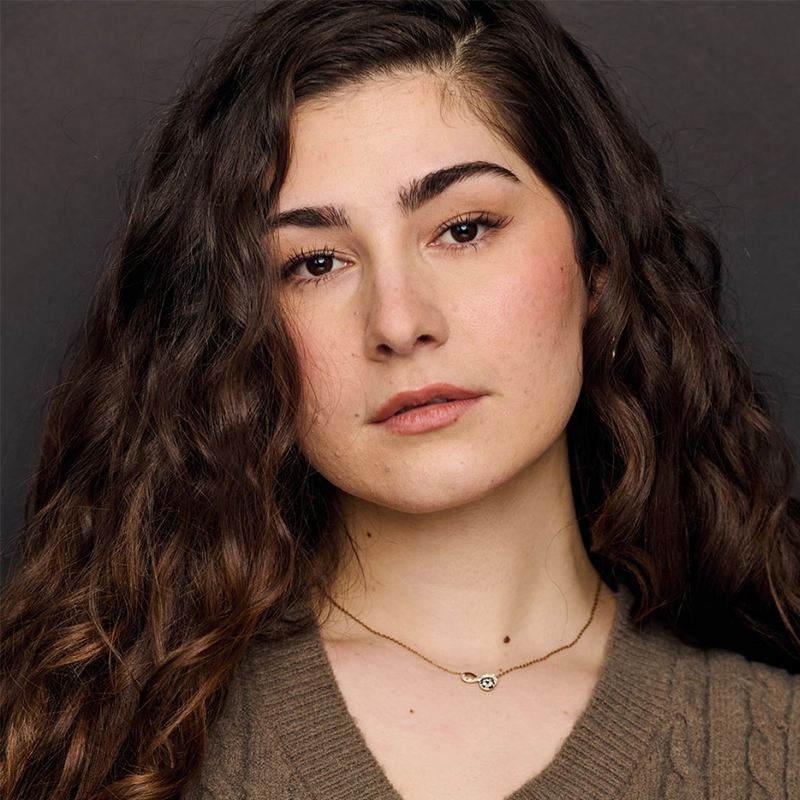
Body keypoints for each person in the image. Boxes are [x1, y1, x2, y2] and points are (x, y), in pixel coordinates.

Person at [1, 1, 798, 798]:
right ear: (235, 335)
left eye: (464, 229)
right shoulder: (94, 740)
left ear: (599, 265)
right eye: (315, 264)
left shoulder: (772, 747)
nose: (399, 322)